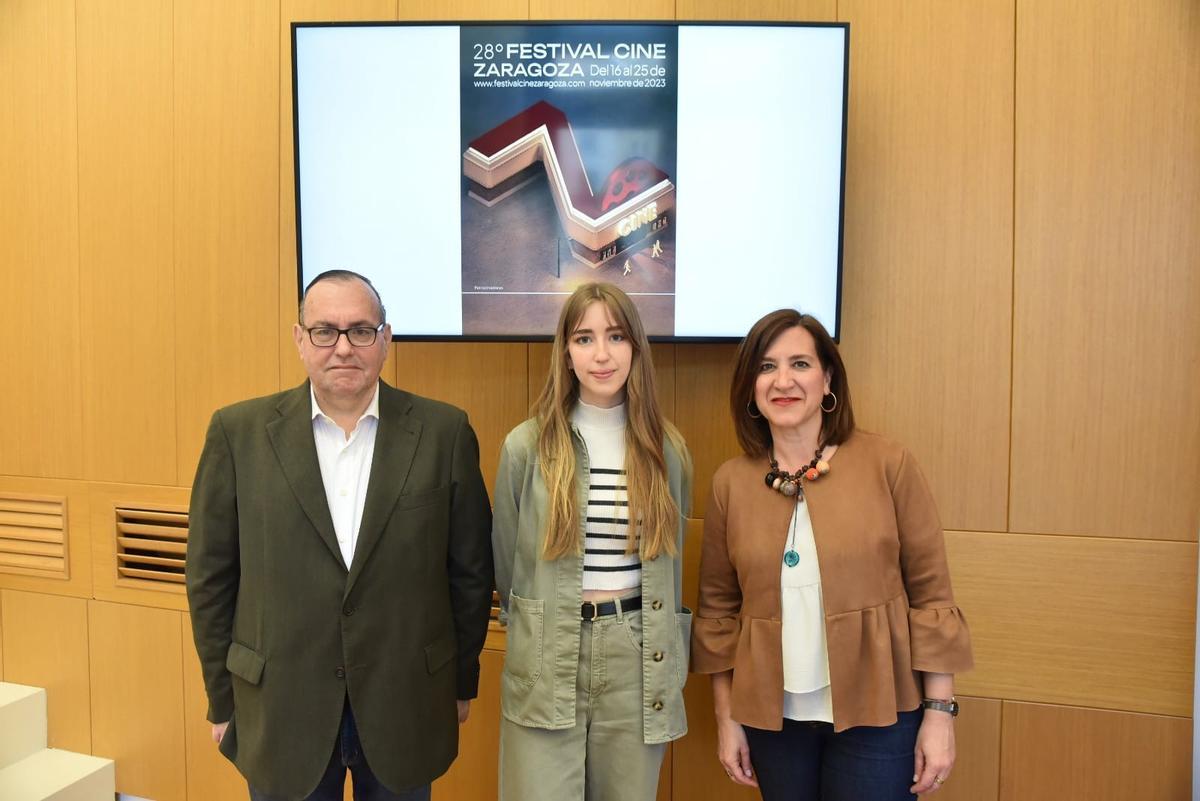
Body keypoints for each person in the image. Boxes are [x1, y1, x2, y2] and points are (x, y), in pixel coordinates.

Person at [185, 270, 494, 801]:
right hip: (280, 708)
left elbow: (469, 574)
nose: (343, 347)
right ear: (299, 339)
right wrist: (223, 696)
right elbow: (210, 578)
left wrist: (461, 681)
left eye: (361, 331)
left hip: (406, 704)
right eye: (325, 331)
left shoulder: (445, 433)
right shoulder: (238, 434)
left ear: (386, 339)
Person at [692, 309, 973, 801]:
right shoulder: (730, 482)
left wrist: (940, 713)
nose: (783, 380)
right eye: (765, 367)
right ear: (750, 389)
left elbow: (932, 595)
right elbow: (718, 614)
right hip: (771, 722)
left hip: (880, 714)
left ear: (828, 380)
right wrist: (726, 719)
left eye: (800, 364)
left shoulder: (888, 463)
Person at [492, 282, 692, 801]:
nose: (601, 354)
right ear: (566, 351)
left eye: (616, 336)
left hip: (636, 649)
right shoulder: (526, 446)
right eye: (584, 338)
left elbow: (673, 567)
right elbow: (508, 563)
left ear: (636, 349)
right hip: (548, 649)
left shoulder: (667, 450)